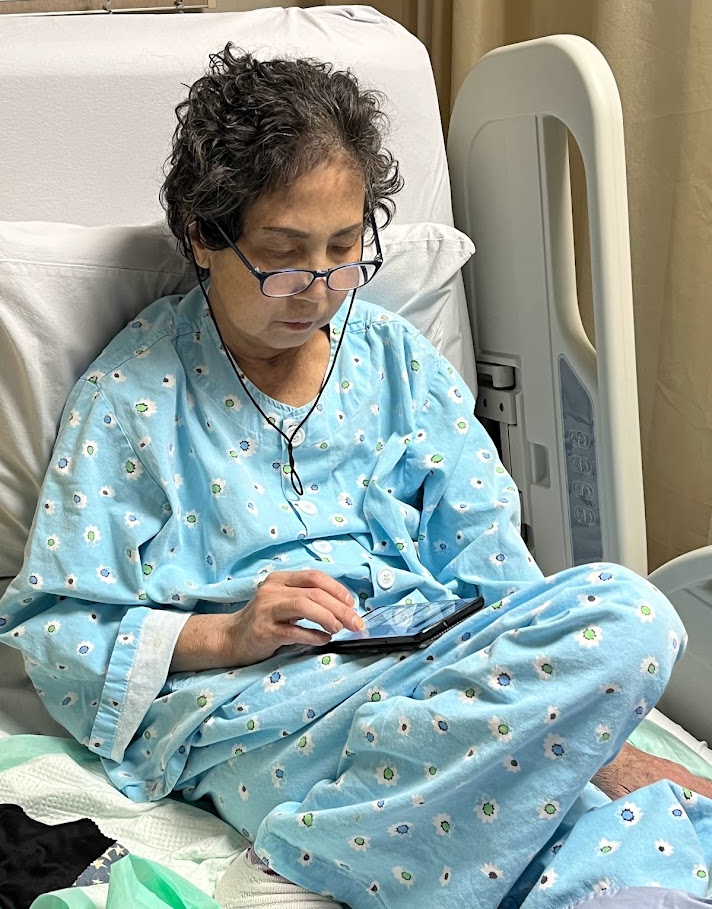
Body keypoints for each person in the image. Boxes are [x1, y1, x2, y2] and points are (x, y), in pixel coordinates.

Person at [1, 45, 711, 909]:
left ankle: (378, 849)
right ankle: (356, 841)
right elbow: (56, 630)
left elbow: (498, 574)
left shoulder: (397, 362)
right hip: (271, 714)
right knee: (596, 824)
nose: (318, 290)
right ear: (201, 236)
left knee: (629, 616)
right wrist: (229, 634)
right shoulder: (132, 397)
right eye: (284, 255)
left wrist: (581, 721)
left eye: (344, 250)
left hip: (444, 686)